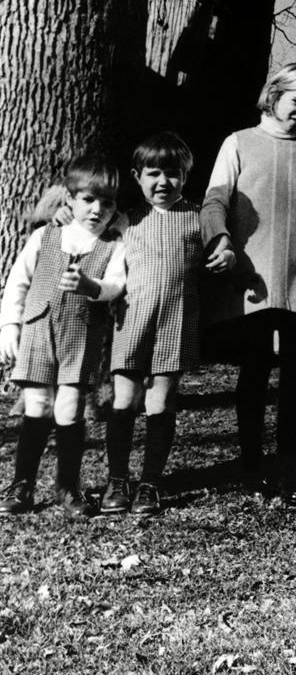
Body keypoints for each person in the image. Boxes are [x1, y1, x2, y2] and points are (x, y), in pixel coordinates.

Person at [203, 62, 296, 507]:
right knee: (256, 370)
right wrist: (221, 240)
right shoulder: (238, 142)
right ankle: (251, 466)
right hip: (252, 277)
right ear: (274, 93)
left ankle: (290, 468)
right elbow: (215, 200)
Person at [101, 132, 232, 517]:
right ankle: (117, 481)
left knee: (161, 401)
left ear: (185, 176)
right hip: (130, 322)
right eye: (153, 173)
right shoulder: (125, 220)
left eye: (172, 173)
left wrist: (226, 254)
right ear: (137, 176)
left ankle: (150, 483)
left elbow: (222, 248)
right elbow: (84, 231)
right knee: (124, 401)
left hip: (176, 323)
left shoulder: (196, 218)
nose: (163, 182)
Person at [0, 155, 126, 518]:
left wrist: (92, 286)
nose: (97, 209)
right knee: (37, 406)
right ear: (69, 200)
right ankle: (21, 485)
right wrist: (10, 325)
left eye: (107, 202)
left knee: (69, 409)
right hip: (39, 333)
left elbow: (116, 285)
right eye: (88, 199)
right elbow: (17, 283)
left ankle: (68, 488)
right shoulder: (46, 235)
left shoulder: (114, 245)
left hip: (80, 337)